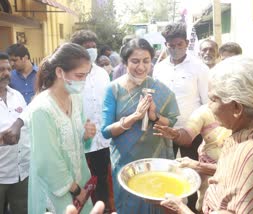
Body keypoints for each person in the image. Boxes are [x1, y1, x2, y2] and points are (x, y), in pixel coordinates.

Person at [161, 56, 253, 214]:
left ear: (236, 108)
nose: (209, 106)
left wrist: (180, 209)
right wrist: (199, 166)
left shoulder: (249, 155)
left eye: (213, 99)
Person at [101, 38, 179, 213]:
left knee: (155, 206)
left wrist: (154, 116)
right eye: (135, 61)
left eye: (146, 61)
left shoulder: (160, 89)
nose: (141, 67)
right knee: (128, 206)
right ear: (125, 62)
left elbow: (171, 122)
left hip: (156, 161)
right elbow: (106, 132)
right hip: (125, 163)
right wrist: (134, 117)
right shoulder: (113, 89)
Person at [25, 43, 96, 213]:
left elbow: (76, 144)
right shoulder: (41, 109)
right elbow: (47, 161)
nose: (83, 82)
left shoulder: (76, 98)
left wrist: (86, 136)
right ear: (59, 72)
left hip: (79, 180)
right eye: (79, 76)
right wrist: (76, 190)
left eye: (86, 76)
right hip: (56, 189)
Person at [153, 22, 209, 211]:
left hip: (191, 132)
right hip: (163, 131)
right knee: (166, 171)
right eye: (171, 45)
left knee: (191, 173)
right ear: (166, 45)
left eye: (179, 45)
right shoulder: (159, 68)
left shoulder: (199, 68)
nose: (176, 49)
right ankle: (168, 208)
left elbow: (207, 102)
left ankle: (190, 209)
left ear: (186, 43)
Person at [154, 103, 231, 211]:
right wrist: (177, 135)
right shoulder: (205, 111)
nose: (212, 102)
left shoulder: (247, 119)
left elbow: (237, 169)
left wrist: (198, 166)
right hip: (210, 181)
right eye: (211, 98)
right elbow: (187, 135)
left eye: (215, 98)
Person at [70, 30, 113, 211]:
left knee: (103, 179)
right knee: (83, 182)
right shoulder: (72, 74)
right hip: (80, 140)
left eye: (94, 47)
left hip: (102, 140)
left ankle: (102, 208)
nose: (92, 50)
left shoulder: (103, 73)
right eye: (87, 47)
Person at [0, 52, 29, 214]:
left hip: (21, 172)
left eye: (8, 69)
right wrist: (2, 139)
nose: (6, 74)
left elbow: (27, 123)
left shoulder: (16, 95)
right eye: (0, 70)